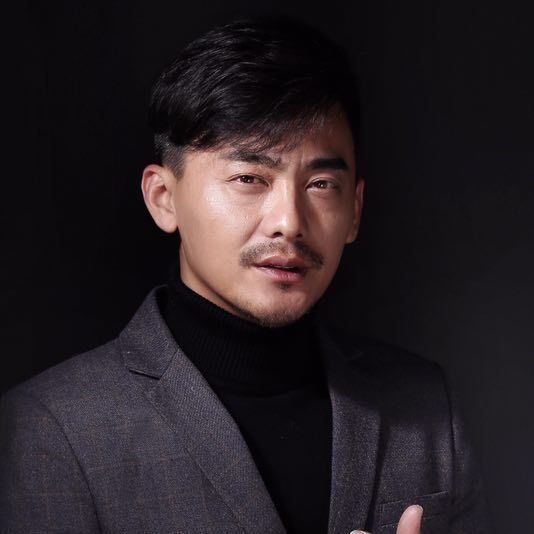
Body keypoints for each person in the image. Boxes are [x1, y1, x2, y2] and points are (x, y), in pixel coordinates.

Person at [0, 17, 489, 534]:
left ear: (355, 211)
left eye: (321, 184)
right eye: (250, 178)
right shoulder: (51, 431)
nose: (289, 222)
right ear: (163, 198)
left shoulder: (423, 404)